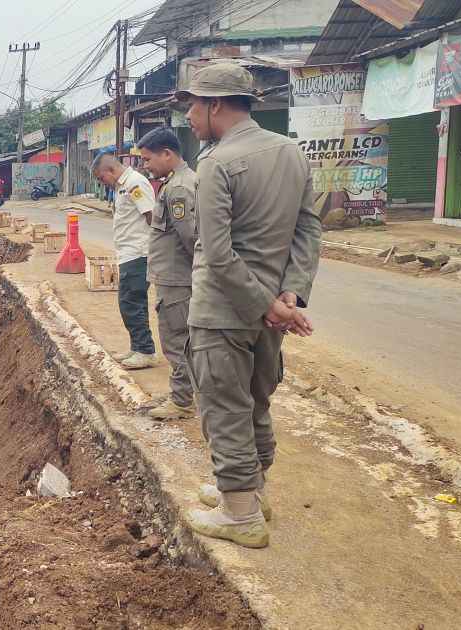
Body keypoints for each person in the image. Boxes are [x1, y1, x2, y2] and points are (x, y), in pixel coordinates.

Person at [176, 63, 320, 548]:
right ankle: (251, 491)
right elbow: (308, 229)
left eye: (194, 106)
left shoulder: (216, 163)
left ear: (216, 104)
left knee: (224, 408)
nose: (190, 116)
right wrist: (289, 296)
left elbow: (216, 253)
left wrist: (265, 304)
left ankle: (240, 516)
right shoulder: (292, 153)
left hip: (223, 310)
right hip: (271, 311)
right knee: (256, 401)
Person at [137, 127, 198, 420]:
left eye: (148, 159)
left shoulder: (179, 190)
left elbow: (192, 240)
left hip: (177, 282)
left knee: (178, 342)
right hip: (173, 280)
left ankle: (182, 402)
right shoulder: (177, 182)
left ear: (167, 154)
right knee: (181, 341)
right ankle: (182, 393)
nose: (145, 166)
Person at [91, 152, 158, 370]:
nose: (103, 183)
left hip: (138, 253)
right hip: (128, 253)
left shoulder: (135, 183)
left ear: (110, 170)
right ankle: (137, 346)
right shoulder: (123, 186)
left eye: (102, 178)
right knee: (129, 302)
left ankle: (145, 351)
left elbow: (151, 216)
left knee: (132, 302)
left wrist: (155, 249)